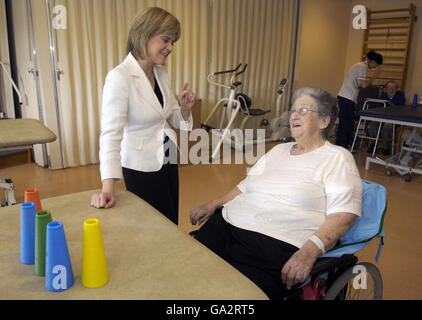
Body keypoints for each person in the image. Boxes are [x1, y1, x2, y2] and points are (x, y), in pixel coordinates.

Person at [190, 87, 363, 300]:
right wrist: (212, 204)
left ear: (324, 121)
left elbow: (344, 214)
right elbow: (244, 186)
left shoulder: (337, 158)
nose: (293, 116)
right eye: (292, 111)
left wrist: (310, 251)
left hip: (274, 245)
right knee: (189, 275)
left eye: (303, 110)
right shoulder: (278, 150)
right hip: (226, 225)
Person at [90, 7, 196, 225]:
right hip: (141, 165)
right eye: (166, 40)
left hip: (167, 157)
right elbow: (110, 134)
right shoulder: (120, 77)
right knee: (151, 226)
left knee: (170, 219)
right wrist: (108, 184)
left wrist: (184, 109)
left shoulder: (161, 75)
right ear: (145, 35)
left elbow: (172, 118)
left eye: (173, 42)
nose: (170, 48)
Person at [336, 50, 383, 149]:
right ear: (373, 61)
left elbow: (359, 84)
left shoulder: (361, 66)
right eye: (376, 64)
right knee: (346, 123)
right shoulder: (362, 67)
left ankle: (342, 145)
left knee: (346, 123)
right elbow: (364, 85)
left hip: (348, 97)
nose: (375, 66)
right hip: (346, 97)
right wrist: (375, 75)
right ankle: (342, 146)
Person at [368, 81, 406, 155]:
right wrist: (383, 120)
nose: (391, 90)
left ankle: (386, 148)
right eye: (389, 88)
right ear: (386, 89)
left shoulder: (400, 96)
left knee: (387, 127)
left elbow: (401, 110)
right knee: (373, 124)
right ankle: (372, 144)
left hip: (394, 120)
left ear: (397, 89)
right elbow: (378, 109)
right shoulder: (382, 96)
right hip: (382, 119)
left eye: (393, 88)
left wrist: (390, 121)